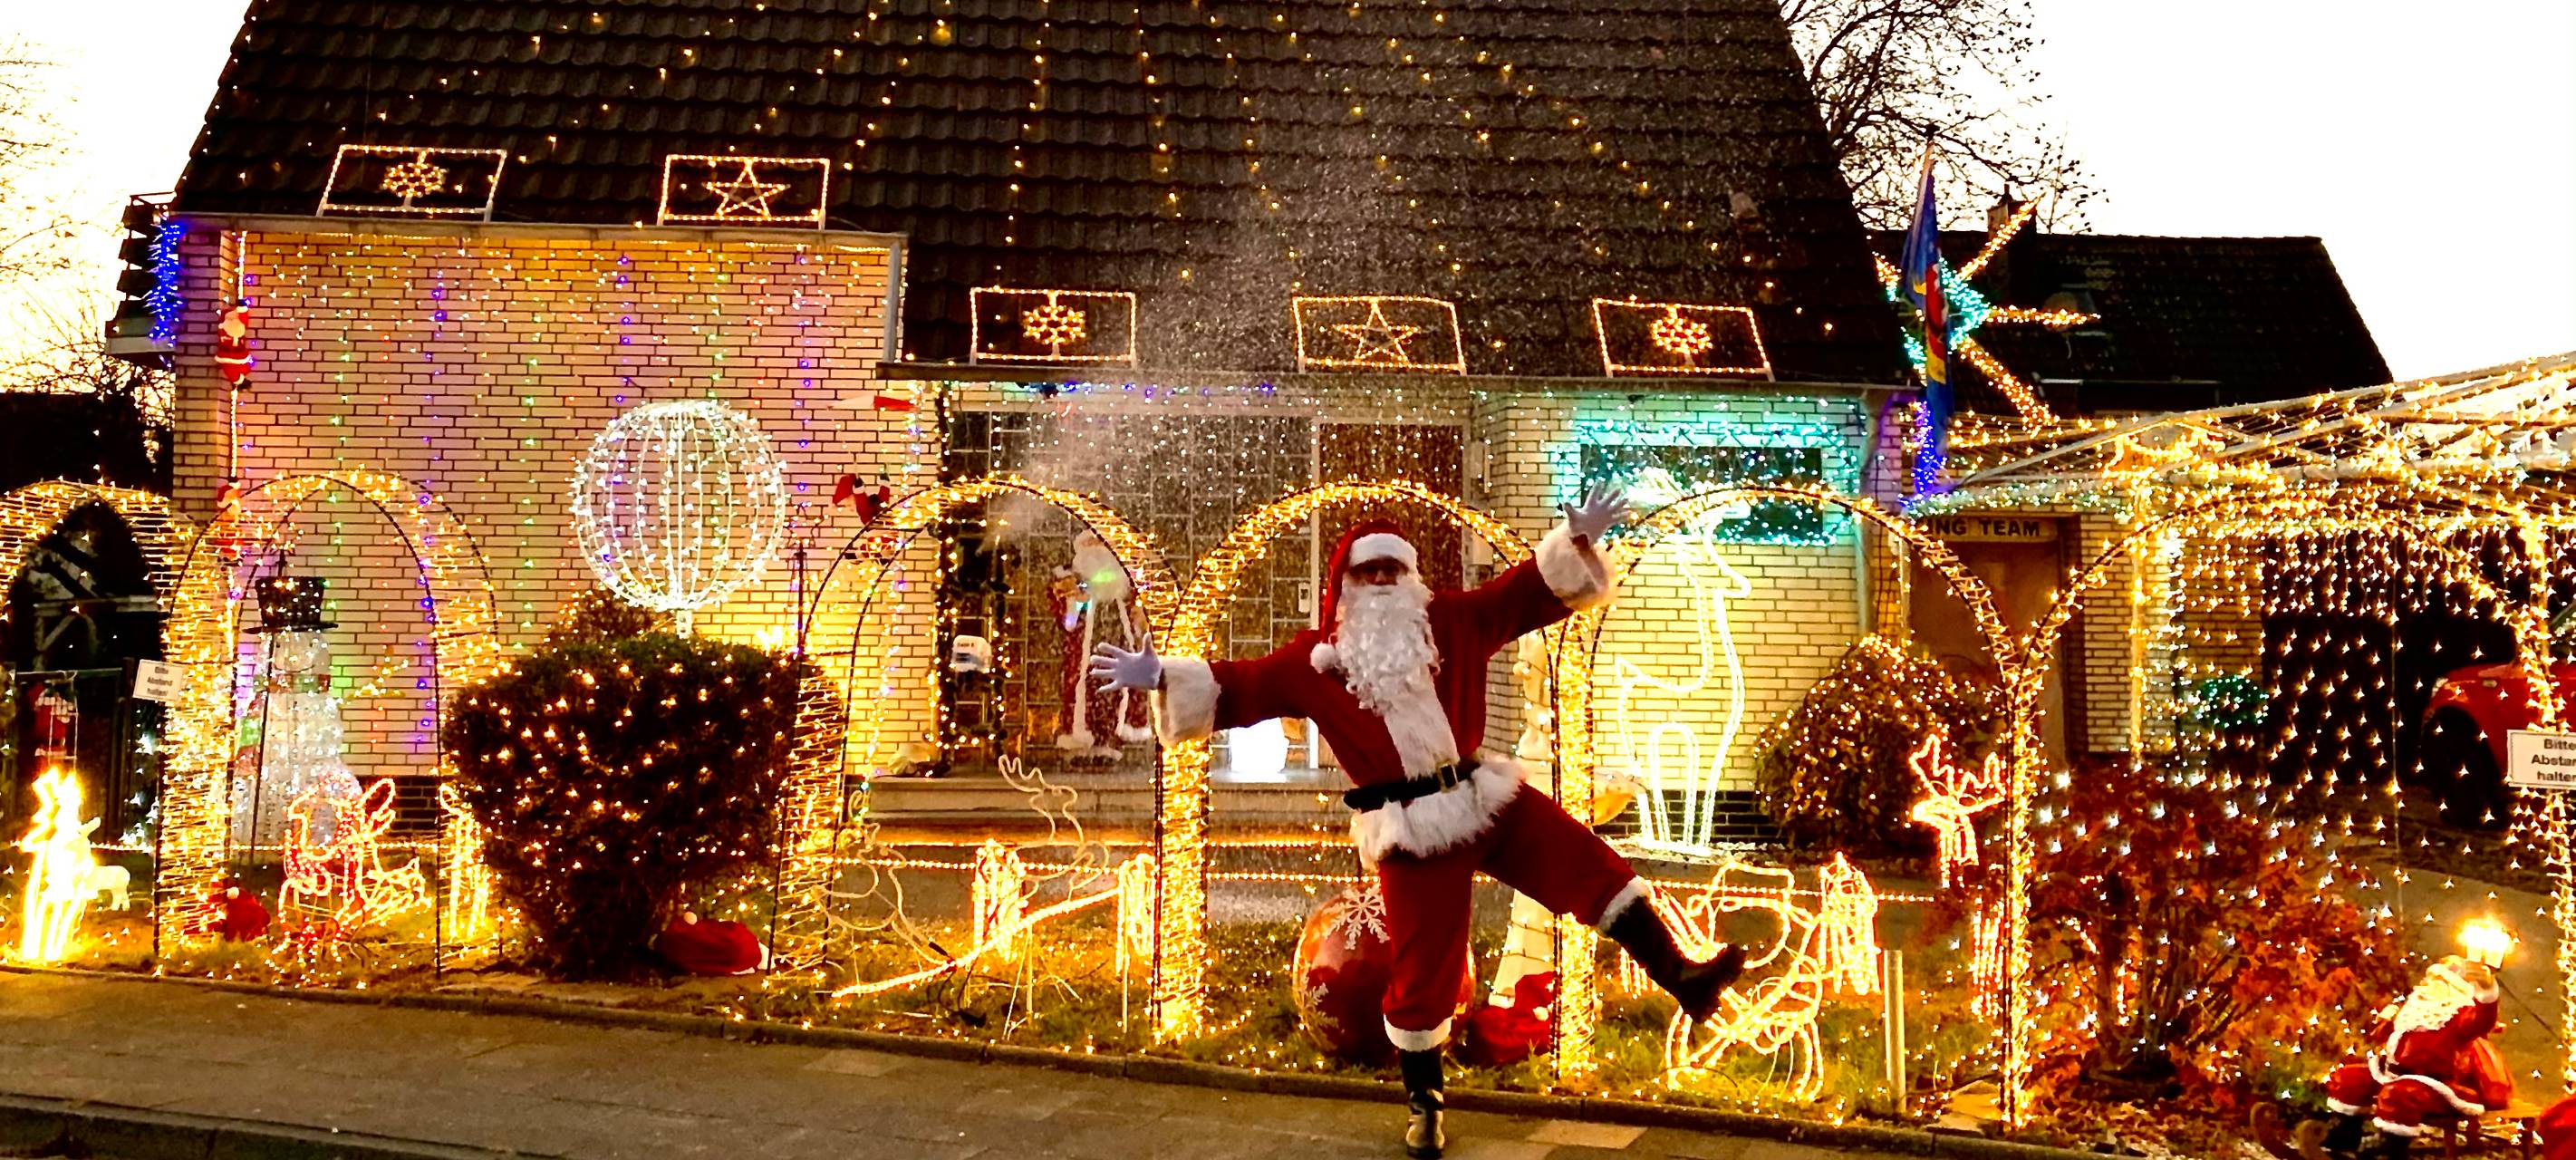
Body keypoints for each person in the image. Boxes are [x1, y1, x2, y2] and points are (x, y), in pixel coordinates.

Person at [1092, 487, 1744, 1159]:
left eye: (1392, 569)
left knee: (1588, 865)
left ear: (1410, 577)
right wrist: (1162, 675)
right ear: (1344, 585)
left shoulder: (1453, 622)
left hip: (1483, 795)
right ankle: (1425, 1107)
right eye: (1367, 571)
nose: (1381, 581)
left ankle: (1683, 978)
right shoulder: (1314, 661)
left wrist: (1575, 540)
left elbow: (1523, 592)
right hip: (1408, 829)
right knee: (1423, 973)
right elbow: (1243, 684)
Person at [2313, 956, 2510, 1158]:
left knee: (2399, 1095)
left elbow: (2484, 1021)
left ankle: (2391, 1145)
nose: (2430, 985)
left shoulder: (2462, 1017)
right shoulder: (2413, 1011)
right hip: (2393, 1073)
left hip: (2434, 1084)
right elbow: (2385, 1039)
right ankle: (2345, 1133)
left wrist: (2487, 990)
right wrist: (2383, 1023)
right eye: (2430, 980)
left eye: (2441, 981)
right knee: (2350, 1078)